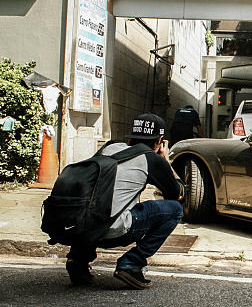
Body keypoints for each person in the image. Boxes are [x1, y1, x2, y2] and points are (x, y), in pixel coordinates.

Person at [65, 113, 185, 290]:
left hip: (81, 228)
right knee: (175, 210)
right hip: (114, 232)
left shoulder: (109, 147)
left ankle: (78, 259)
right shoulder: (151, 160)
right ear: (160, 140)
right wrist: (165, 160)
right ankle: (132, 263)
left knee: (97, 206)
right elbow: (177, 194)